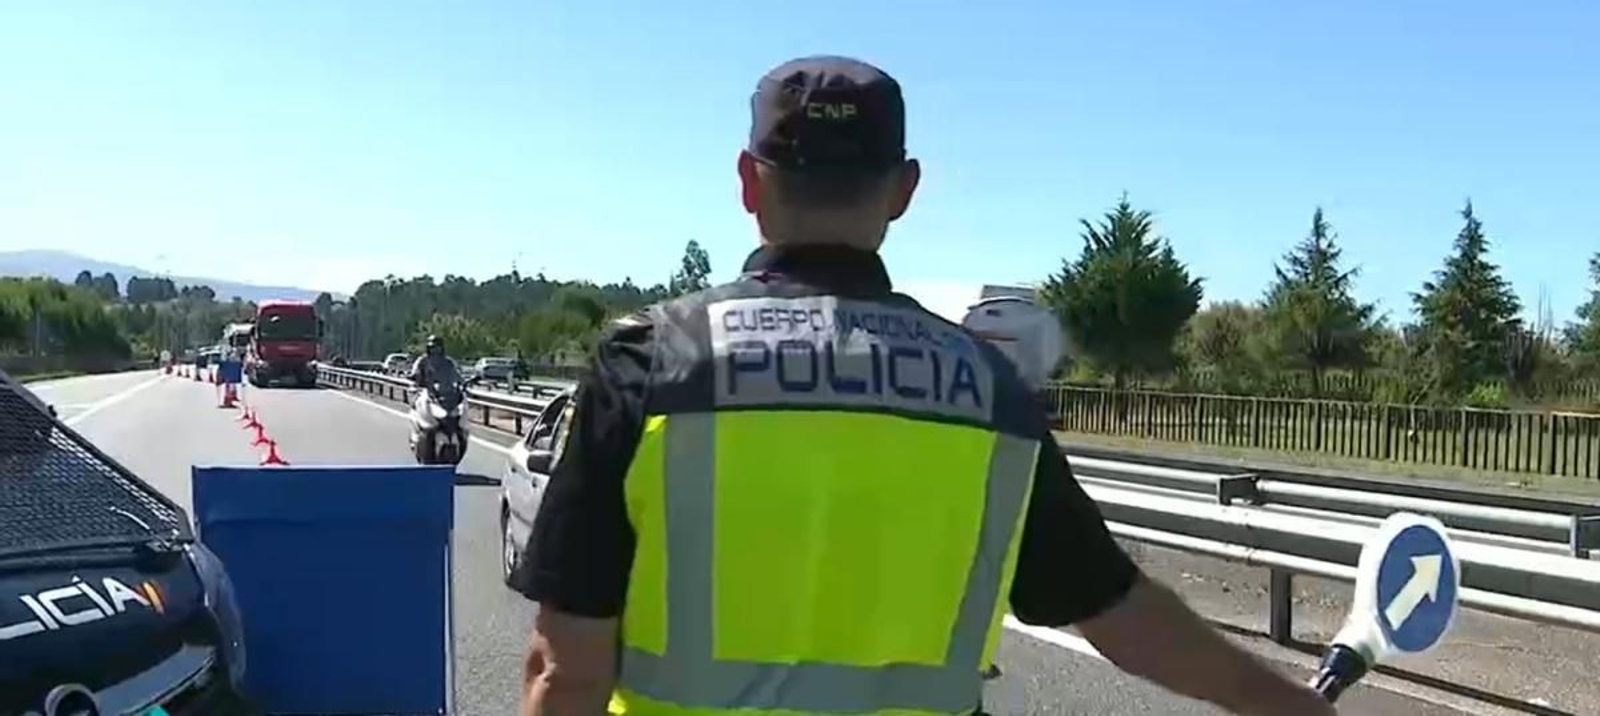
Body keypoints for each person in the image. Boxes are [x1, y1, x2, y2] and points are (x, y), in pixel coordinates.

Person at [512, 56, 1337, 716]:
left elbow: (566, 672)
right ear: (904, 189)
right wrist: (1285, 704)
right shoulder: (987, 388)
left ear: (747, 182)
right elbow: (1116, 609)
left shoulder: (652, 362)